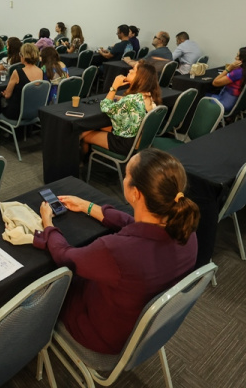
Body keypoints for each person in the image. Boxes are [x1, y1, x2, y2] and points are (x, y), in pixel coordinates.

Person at [34, 148, 199, 355]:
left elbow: (64, 257)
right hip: (144, 328)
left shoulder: (116, 250)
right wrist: (88, 206)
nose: (124, 178)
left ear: (136, 193)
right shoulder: (187, 232)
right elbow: (133, 223)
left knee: (45, 278)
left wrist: (48, 224)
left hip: (102, 334)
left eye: (127, 174)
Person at [81, 61, 161, 157]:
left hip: (125, 143)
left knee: (84, 134)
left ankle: (82, 161)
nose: (130, 70)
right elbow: (134, 104)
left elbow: (105, 107)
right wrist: (121, 98)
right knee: (98, 126)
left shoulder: (131, 100)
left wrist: (114, 87)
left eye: (134, 70)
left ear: (140, 78)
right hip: (137, 139)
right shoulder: (149, 95)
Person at [1, 43, 44, 120]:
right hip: (35, 112)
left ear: (23, 56)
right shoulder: (41, 71)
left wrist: (5, 94)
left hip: (18, 114)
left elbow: (7, 95)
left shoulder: (17, 72)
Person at [211, 46, 246, 112]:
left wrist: (229, 68)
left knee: (202, 96)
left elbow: (215, 82)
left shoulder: (238, 72)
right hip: (239, 104)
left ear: (243, 59)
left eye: (237, 56)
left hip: (226, 104)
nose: (235, 58)